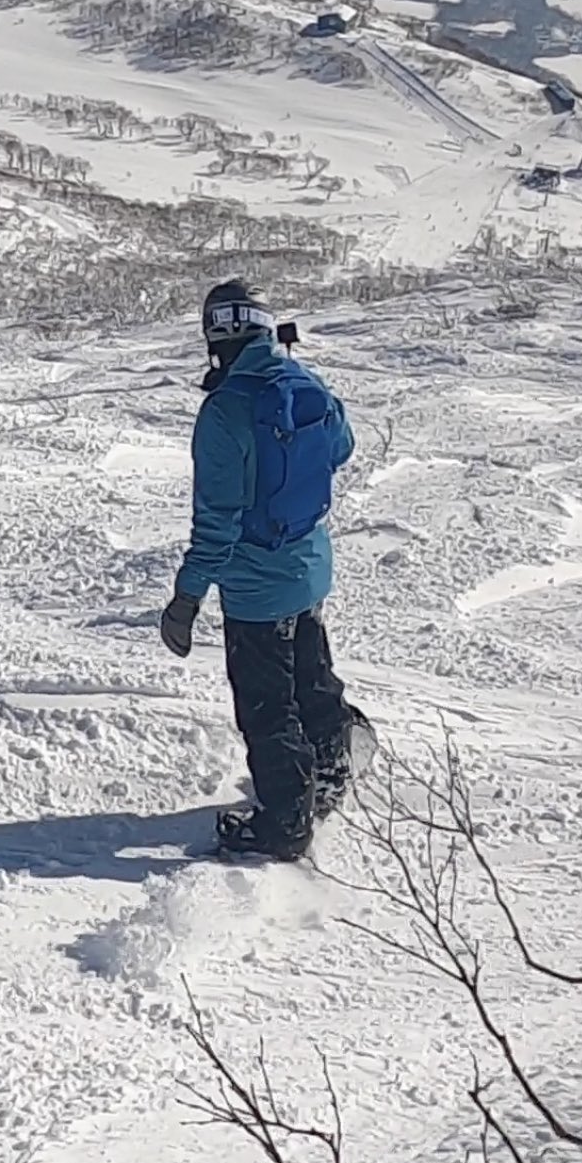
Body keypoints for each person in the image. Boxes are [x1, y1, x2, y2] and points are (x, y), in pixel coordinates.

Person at [157, 279, 371, 860]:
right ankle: (327, 776)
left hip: (256, 586)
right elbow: (343, 446)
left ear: (216, 338)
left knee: (266, 704)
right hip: (309, 567)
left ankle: (284, 823)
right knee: (312, 676)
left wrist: (186, 598)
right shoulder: (304, 384)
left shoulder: (225, 413)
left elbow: (218, 523)